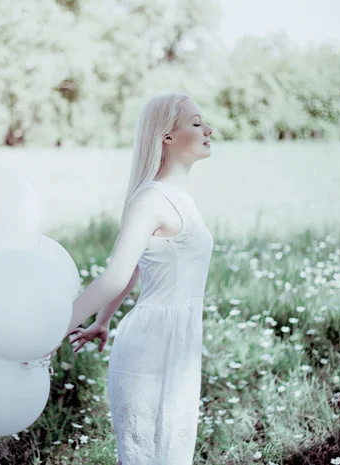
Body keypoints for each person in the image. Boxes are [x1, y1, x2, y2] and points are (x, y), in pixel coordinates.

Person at [56, 92, 214, 464]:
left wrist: (103, 320)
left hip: (179, 345)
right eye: (196, 122)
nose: (209, 129)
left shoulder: (178, 196)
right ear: (167, 137)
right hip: (151, 348)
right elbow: (114, 276)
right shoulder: (151, 200)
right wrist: (54, 329)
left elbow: (141, 265)